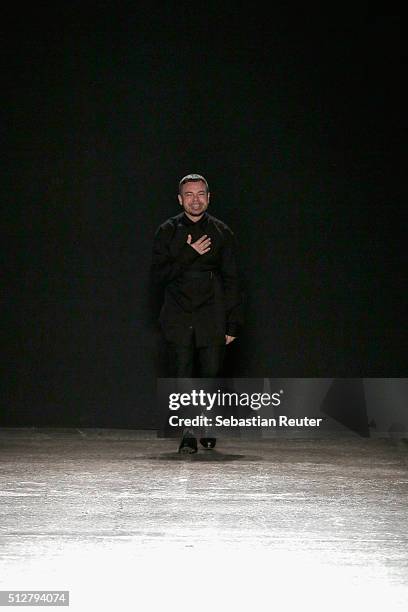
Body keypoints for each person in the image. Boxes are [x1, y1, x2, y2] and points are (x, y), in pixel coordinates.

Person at [152, 173, 243, 453]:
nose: (195, 200)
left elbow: (233, 280)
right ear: (180, 199)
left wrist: (233, 323)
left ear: (209, 197)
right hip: (178, 314)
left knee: (211, 374)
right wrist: (189, 253)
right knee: (183, 375)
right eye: (189, 195)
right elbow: (158, 276)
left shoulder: (222, 232)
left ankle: (206, 424)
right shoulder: (167, 231)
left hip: (212, 314)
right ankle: (189, 432)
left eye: (200, 194)